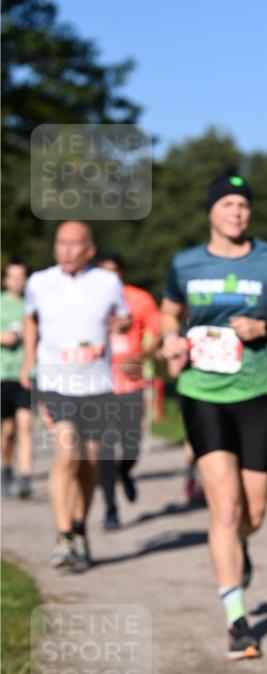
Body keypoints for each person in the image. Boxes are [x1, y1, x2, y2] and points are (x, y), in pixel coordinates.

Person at [161, 173, 267, 660]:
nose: (236, 212)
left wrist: (266, 325)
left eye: (243, 204)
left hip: (261, 389)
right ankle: (237, 621)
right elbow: (169, 311)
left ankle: (240, 545)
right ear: (211, 210)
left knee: (253, 511)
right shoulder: (185, 262)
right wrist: (168, 339)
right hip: (202, 390)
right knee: (223, 509)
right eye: (227, 203)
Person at [20, 222, 129, 572]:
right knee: (66, 455)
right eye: (61, 243)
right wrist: (28, 360)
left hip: (96, 382)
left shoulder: (108, 282)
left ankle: (80, 527)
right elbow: (30, 319)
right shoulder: (39, 281)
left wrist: (119, 326)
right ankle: (64, 535)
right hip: (55, 378)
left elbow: (124, 317)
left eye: (74, 244)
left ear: (89, 249)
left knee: (90, 463)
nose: (66, 250)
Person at [97, 252, 161, 530]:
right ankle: (110, 510)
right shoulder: (87, 299)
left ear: (122, 274)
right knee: (104, 449)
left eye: (115, 272)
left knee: (131, 444)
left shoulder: (139, 299)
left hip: (131, 381)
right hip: (99, 383)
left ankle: (125, 471)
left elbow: (156, 333)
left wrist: (142, 355)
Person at [1, 258, 33, 499]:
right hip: (3, 374)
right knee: (8, 430)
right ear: (5, 279)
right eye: (13, 276)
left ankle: (25, 478)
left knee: (25, 425)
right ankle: (6, 469)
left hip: (26, 374)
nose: (17, 281)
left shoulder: (32, 304)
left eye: (21, 276)